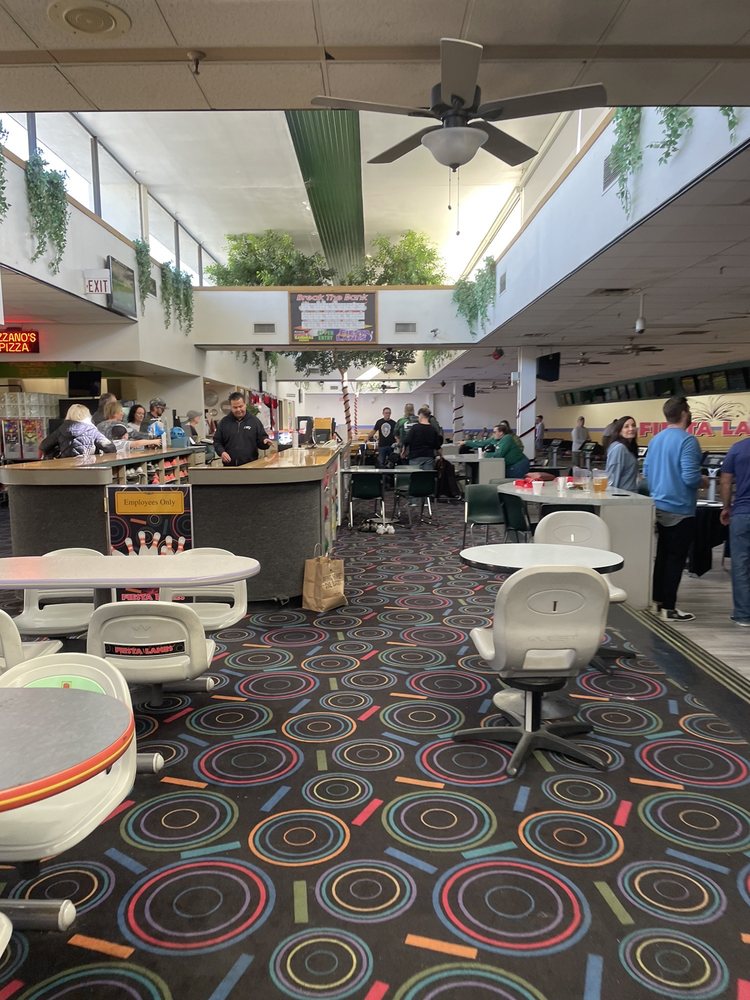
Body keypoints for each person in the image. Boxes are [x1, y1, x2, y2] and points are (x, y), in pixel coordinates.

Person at [643, 396, 703, 622]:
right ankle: (669, 608)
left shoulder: (656, 440)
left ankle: (657, 602)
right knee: (675, 560)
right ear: (685, 414)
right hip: (680, 509)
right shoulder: (688, 441)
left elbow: (646, 473)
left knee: (662, 557)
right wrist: (704, 481)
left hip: (659, 506)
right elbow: (690, 478)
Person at [720, 435, 750, 626]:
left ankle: (743, 614)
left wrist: (726, 507)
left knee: (740, 564)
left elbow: (725, 481)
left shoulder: (737, 448)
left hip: (742, 513)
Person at [214, 391, 272, 466]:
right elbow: (217, 442)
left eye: (240, 406)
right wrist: (221, 452)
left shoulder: (254, 421)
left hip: (250, 466)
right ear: (231, 407)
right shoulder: (224, 422)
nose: (238, 409)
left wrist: (265, 442)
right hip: (229, 467)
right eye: (235, 407)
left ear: (245, 405)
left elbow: (261, 440)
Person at [40, 403, 116, 458]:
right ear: (87, 416)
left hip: (67, 469)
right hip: (89, 469)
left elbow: (43, 446)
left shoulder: (60, 430)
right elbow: (109, 447)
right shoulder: (91, 430)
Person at [605, 415, 639, 491]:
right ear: (619, 431)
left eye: (633, 425)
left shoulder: (629, 447)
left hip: (630, 493)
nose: (631, 429)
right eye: (626, 426)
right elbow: (613, 477)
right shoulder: (619, 448)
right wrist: (612, 495)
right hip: (622, 495)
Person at [403, 406, 442, 470]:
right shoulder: (432, 429)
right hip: (429, 457)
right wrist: (441, 456)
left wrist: (403, 451)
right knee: (427, 475)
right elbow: (437, 445)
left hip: (415, 456)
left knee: (415, 475)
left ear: (421, 415)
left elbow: (407, 441)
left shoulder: (415, 428)